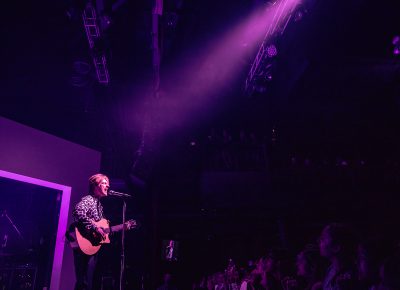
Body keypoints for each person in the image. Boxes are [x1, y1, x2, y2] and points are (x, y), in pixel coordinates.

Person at [72, 173, 110, 290]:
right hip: (83, 245)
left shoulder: (99, 205)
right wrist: (95, 227)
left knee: (89, 281)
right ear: (95, 186)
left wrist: (119, 227)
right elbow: (78, 211)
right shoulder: (89, 199)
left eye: (107, 183)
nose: (107, 186)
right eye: (104, 183)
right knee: (83, 282)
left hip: (92, 246)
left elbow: (100, 227)